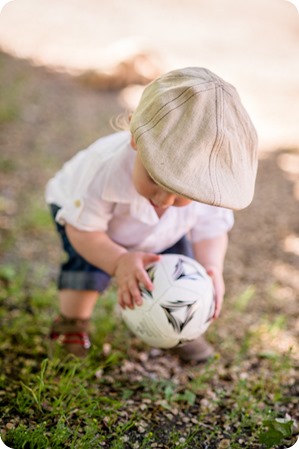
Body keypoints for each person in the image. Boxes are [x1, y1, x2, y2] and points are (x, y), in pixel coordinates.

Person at [45, 67, 258, 361]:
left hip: (164, 230)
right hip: (86, 222)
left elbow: (211, 231)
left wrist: (212, 268)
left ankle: (178, 327)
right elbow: (82, 232)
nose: (163, 199)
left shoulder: (207, 185)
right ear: (135, 138)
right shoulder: (103, 171)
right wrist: (119, 260)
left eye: (181, 194)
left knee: (182, 267)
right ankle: (73, 323)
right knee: (87, 266)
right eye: (156, 179)